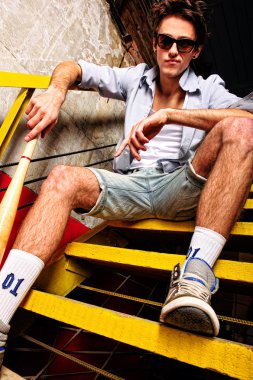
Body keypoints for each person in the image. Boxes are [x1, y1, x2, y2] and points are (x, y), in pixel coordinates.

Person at [1, 0, 253, 368]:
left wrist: (170, 115)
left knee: (241, 129)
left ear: (195, 51)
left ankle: (195, 276)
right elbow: (73, 68)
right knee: (61, 178)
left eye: (184, 45)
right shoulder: (136, 78)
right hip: (130, 185)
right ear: (154, 42)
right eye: (165, 40)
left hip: (181, 185)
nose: (172, 51)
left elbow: (247, 115)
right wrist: (57, 93)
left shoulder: (209, 88)